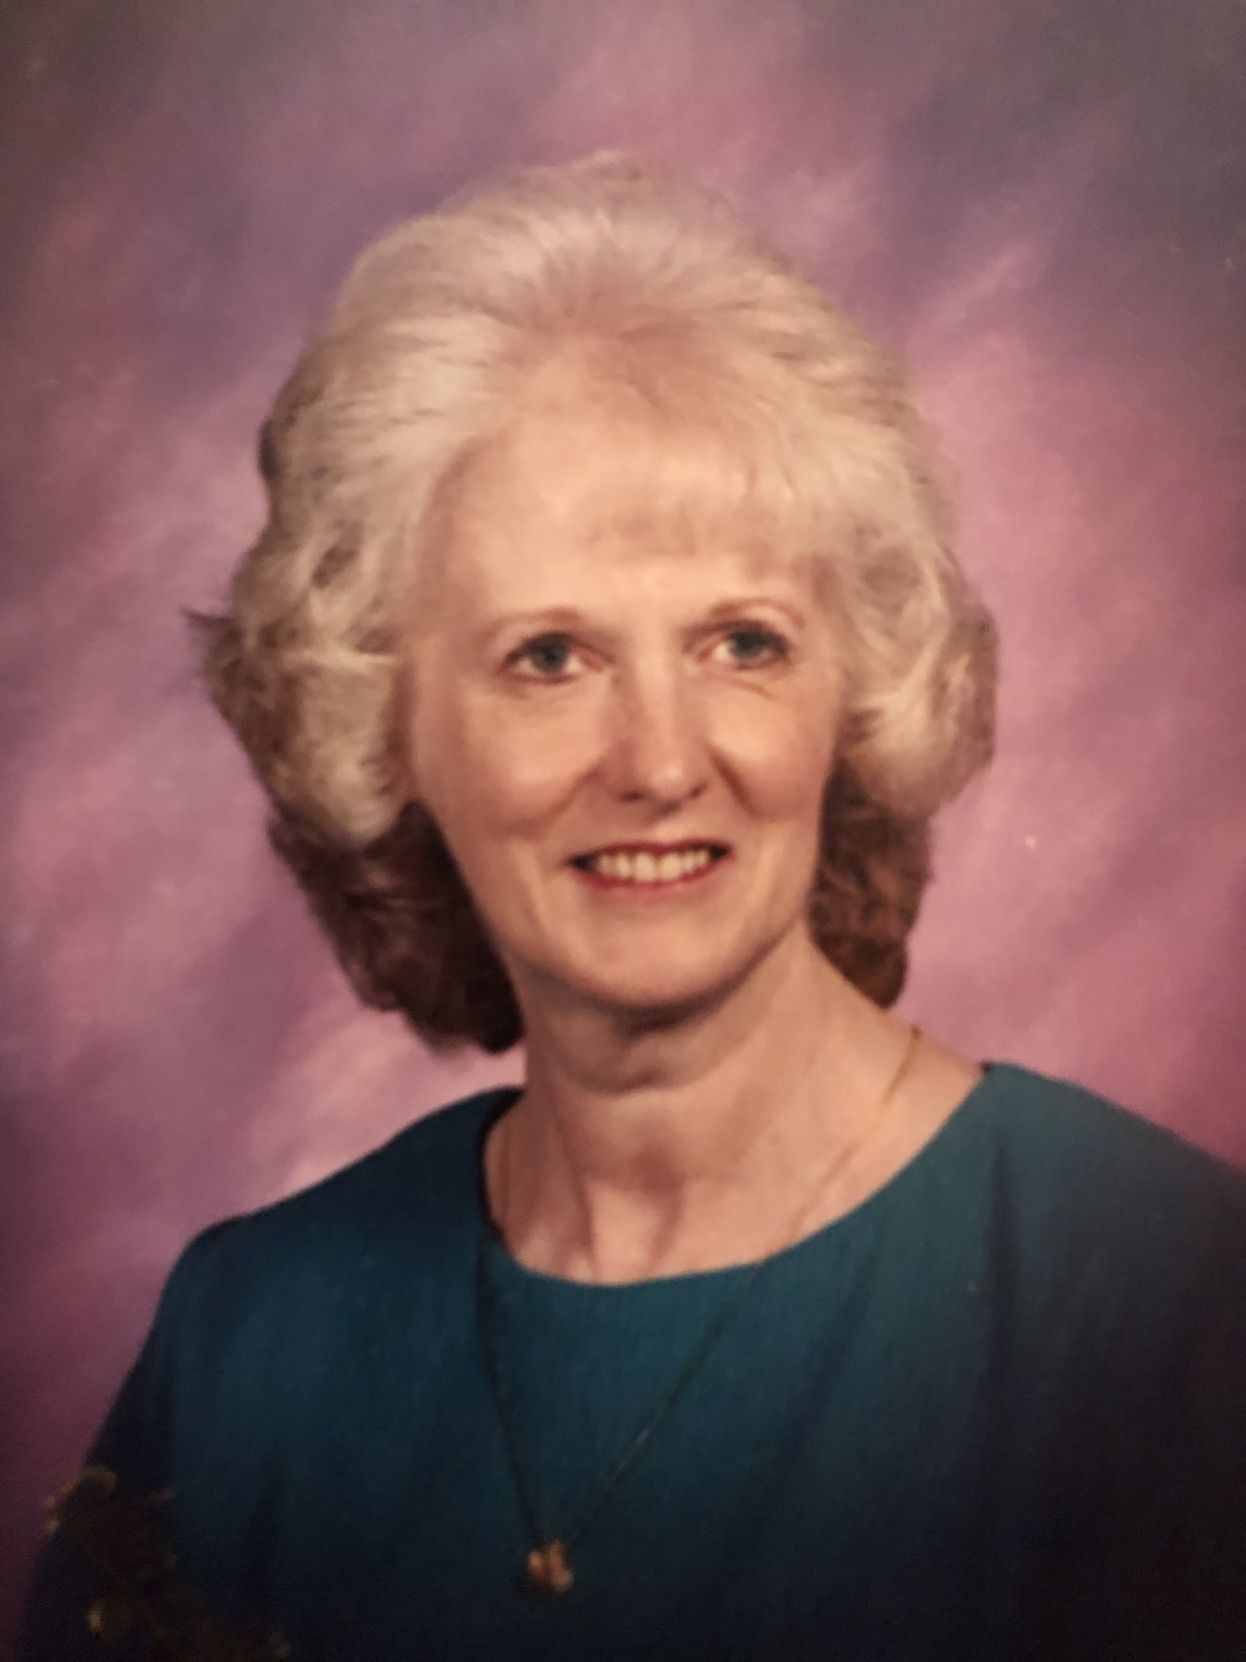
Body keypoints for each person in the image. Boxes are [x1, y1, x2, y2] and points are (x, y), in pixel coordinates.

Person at [21, 152, 1246, 1661]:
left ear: (853, 698)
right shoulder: (250, 1341)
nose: (661, 761)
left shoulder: (1166, 1299)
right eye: (549, 657)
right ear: (379, 726)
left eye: (743, 644)